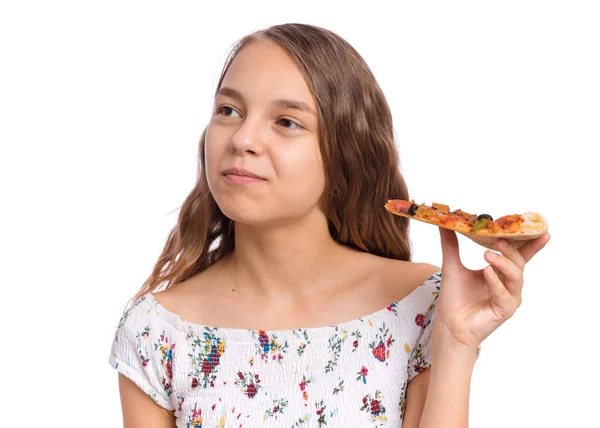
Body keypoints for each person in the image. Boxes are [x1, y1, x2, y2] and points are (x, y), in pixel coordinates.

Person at [108, 23, 550, 428]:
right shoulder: (157, 331)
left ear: (344, 151)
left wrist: (456, 343)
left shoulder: (422, 306)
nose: (242, 139)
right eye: (228, 109)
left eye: (286, 122)